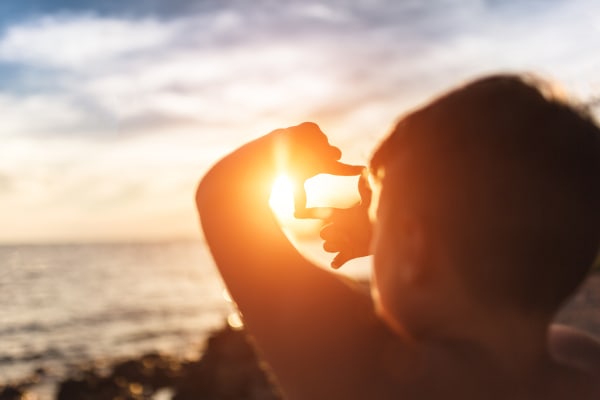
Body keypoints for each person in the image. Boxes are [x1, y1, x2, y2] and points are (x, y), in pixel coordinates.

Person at [196, 74, 600, 399]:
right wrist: (393, 233)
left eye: (379, 214)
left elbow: (224, 198)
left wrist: (287, 146)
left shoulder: (378, 379)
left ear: (414, 249)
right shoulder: (583, 361)